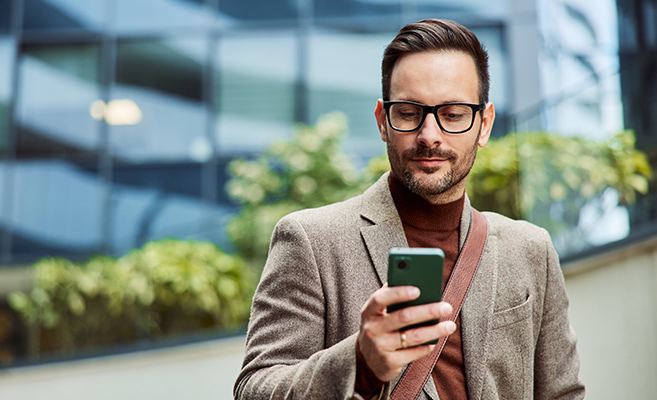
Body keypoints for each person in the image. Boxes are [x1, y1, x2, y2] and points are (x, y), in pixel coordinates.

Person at [234, 19, 584, 400]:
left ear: (484, 124)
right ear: (383, 122)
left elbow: (562, 393)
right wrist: (359, 364)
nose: (429, 135)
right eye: (408, 112)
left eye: (452, 114)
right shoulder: (310, 240)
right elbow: (255, 389)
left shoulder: (531, 250)